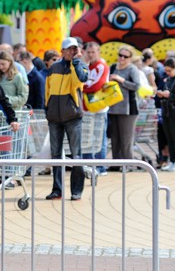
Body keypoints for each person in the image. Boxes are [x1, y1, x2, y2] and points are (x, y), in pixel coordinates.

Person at [44, 37, 89, 201]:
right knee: (55, 155)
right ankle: (57, 190)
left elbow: (81, 80)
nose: (72, 51)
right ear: (62, 51)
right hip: (54, 117)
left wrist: (76, 62)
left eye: (75, 48)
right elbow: (47, 90)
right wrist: (47, 109)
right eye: (69, 49)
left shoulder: (80, 65)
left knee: (76, 155)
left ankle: (76, 190)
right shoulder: (54, 67)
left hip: (73, 116)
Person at [108, 46, 143, 162]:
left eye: (125, 56)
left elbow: (136, 86)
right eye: (120, 55)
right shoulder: (113, 67)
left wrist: (121, 80)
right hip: (113, 107)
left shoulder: (132, 69)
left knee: (126, 138)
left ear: (130, 58)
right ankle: (116, 163)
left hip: (128, 109)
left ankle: (128, 163)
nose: (122, 58)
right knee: (115, 138)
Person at [82, 42, 109, 176]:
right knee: (87, 137)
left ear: (98, 52)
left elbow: (97, 85)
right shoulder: (86, 66)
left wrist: (83, 88)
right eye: (89, 52)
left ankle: (100, 166)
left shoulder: (101, 66)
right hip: (86, 108)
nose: (91, 54)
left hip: (99, 108)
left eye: (93, 52)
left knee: (99, 138)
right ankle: (87, 164)